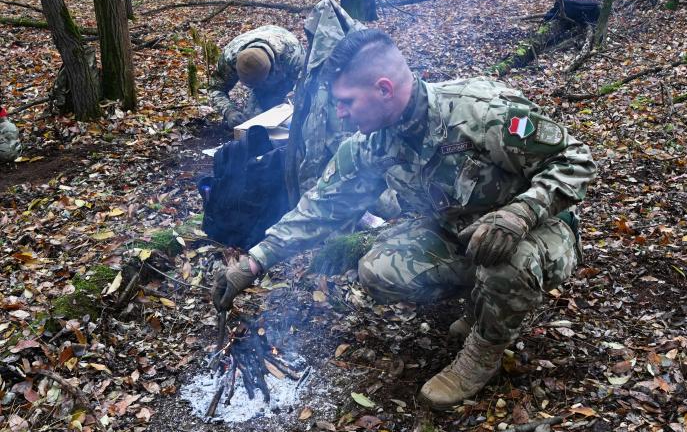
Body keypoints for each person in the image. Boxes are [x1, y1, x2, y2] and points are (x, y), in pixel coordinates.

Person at [212, 29, 597, 408]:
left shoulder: (479, 112)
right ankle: (483, 304)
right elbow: (322, 205)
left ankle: (484, 350)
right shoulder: (371, 142)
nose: (341, 115)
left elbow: (575, 159)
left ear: (383, 89)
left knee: (508, 264)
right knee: (381, 269)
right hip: (457, 231)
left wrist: (520, 213)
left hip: (539, 227)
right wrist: (254, 260)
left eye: (347, 102)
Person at [209, 25, 305, 129]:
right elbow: (215, 89)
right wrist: (229, 111)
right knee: (252, 124)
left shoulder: (293, 55)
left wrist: (288, 105)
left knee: (293, 121)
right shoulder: (230, 57)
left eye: (257, 83)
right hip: (263, 48)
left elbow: (305, 86)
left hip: (286, 74)